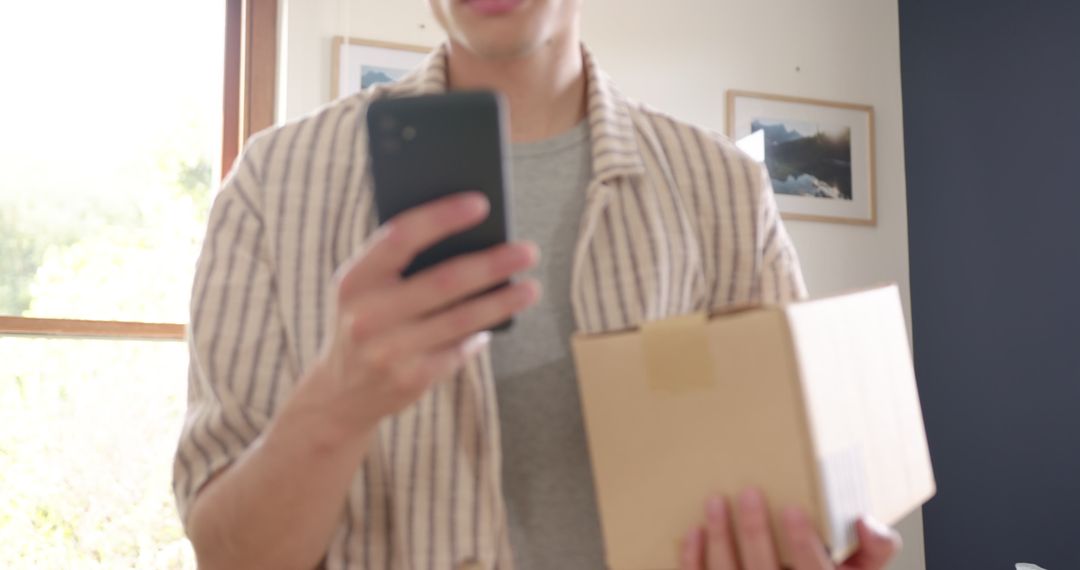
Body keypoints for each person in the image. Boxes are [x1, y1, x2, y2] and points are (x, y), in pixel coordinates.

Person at [173, 0, 902, 568]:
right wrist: (335, 405)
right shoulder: (271, 187)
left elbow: (789, 495)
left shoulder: (727, 191)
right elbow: (228, 558)